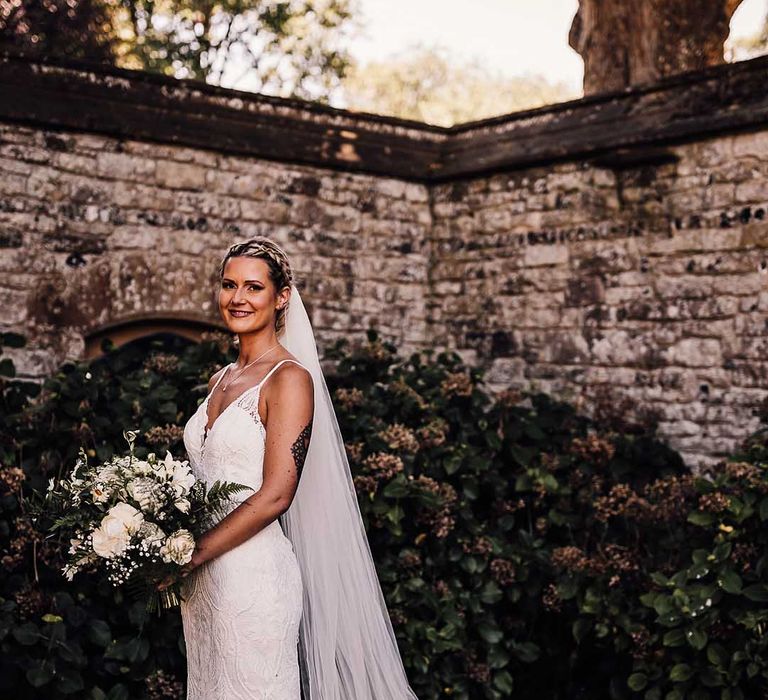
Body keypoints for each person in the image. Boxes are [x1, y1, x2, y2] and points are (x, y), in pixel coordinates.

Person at [177, 237, 419, 700]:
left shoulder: (289, 379)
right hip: (202, 585)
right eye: (229, 285)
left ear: (281, 297)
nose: (238, 298)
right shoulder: (220, 379)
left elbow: (276, 495)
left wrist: (193, 553)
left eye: (253, 287)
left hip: (251, 578)